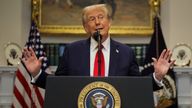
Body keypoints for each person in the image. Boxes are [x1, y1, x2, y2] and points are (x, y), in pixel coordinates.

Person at [22, 4, 174, 90]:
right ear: (85, 27)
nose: (97, 22)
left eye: (101, 17)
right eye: (92, 19)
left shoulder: (126, 52)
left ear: (109, 22)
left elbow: (137, 87)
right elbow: (58, 85)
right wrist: (37, 73)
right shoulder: (72, 51)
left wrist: (158, 76)